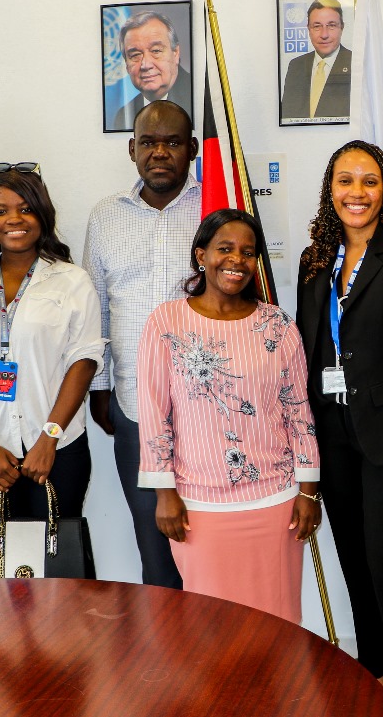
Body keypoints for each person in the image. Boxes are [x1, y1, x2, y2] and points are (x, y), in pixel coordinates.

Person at [295, 140, 383, 716]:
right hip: (332, 436)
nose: (357, 193)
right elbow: (309, 347)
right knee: (354, 560)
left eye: (369, 181)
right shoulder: (315, 259)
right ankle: (377, 673)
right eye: (346, 181)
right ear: (331, 190)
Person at [136, 209, 321, 621]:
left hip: (276, 502)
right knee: (210, 625)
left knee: (279, 620)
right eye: (225, 249)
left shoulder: (277, 325)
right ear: (201, 255)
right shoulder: (165, 322)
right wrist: (164, 494)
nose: (237, 260)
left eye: (248, 252)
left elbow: (298, 411)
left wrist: (308, 491)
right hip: (199, 506)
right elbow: (153, 413)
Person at [0, 166, 106, 524]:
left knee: (57, 568)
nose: (14, 219)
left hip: (57, 451)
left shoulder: (72, 282)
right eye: (0, 211)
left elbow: (84, 361)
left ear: (42, 215)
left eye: (25, 208)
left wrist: (49, 438)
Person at [84, 100, 200, 588]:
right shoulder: (106, 217)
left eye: (172, 142)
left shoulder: (214, 208)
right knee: (154, 543)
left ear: (192, 149)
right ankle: (169, 655)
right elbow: (97, 309)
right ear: (132, 149)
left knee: (206, 542)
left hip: (205, 406)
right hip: (133, 405)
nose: (160, 152)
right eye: (149, 143)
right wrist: (102, 388)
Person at [110, 11, 194, 131]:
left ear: (175, 53)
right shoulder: (123, 116)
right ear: (126, 65)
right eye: (135, 55)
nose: (145, 64)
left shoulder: (199, 99)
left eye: (155, 51)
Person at [280, 0, 352, 121]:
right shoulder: (296, 66)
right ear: (309, 29)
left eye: (331, 26)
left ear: (342, 28)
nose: (324, 34)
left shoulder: (355, 63)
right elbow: (287, 116)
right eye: (317, 26)